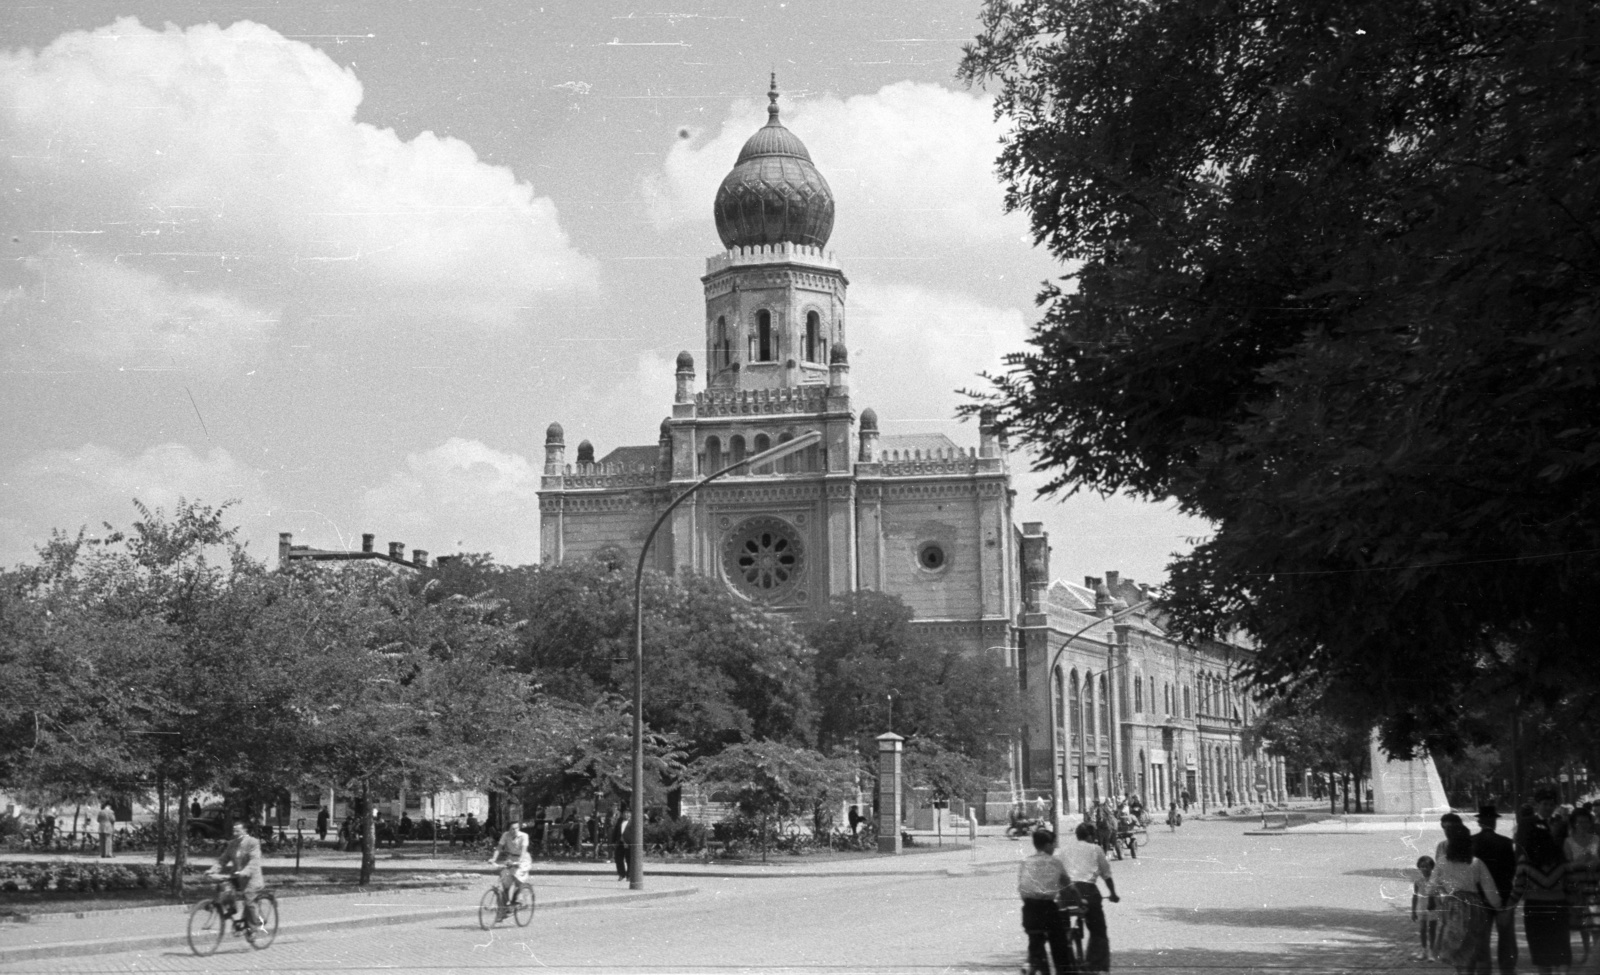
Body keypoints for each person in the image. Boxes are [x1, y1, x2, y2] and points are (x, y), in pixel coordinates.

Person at [1429, 819, 1503, 975]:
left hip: (1452, 908)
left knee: (1457, 950)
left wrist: (1444, 893)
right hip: (1474, 909)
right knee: (1473, 949)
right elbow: (1490, 891)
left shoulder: (1442, 863)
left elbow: (1431, 887)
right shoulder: (1476, 863)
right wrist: (1498, 906)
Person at [1511, 825, 1573, 974]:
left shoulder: (1525, 860)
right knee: (1561, 947)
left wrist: (1508, 907)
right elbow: (1571, 885)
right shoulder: (1560, 859)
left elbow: (1518, 888)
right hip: (1559, 907)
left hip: (1535, 909)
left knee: (1541, 951)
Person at [1060, 821, 1120, 972]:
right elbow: (1106, 875)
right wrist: (1113, 893)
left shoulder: (1065, 849)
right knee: (1098, 929)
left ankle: (1065, 952)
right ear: (1090, 836)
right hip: (1087, 892)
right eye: (1093, 835)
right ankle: (1094, 965)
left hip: (1065, 892)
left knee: (1062, 924)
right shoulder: (1096, 849)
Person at [1016, 828, 1073, 975]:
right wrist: (1078, 901)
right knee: (1060, 946)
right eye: (1053, 844)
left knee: (1035, 943)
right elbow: (1068, 887)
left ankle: (1031, 964)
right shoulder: (1054, 862)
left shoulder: (1025, 861)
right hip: (1048, 909)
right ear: (1047, 845)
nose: (1054, 847)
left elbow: (1022, 888)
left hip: (1028, 910)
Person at [1470, 806, 1518, 975]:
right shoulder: (1505, 842)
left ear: (1480, 822)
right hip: (1503, 895)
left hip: (1480, 897)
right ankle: (1507, 971)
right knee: (1506, 938)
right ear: (1494, 822)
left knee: (1482, 940)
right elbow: (1513, 869)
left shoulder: (1471, 842)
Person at [214, 820, 266, 935]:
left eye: (238, 830)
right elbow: (223, 859)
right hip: (237, 877)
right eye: (234, 830)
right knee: (223, 887)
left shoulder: (253, 842)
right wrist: (213, 870)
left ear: (245, 830)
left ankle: (254, 928)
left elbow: (254, 861)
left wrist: (245, 871)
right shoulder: (232, 843)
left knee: (248, 899)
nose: (235, 832)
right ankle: (232, 909)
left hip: (252, 878)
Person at [1564, 806, 1599, 961]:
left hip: (1595, 884)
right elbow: (1568, 865)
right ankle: (1586, 951)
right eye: (1579, 822)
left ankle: (1596, 951)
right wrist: (1585, 862)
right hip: (1577, 886)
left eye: (1586, 822)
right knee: (1583, 921)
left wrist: (1586, 863)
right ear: (1573, 823)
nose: (1583, 825)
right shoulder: (1568, 842)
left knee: (1597, 919)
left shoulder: (1596, 839)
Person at [487, 818, 532, 919]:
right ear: (509, 829)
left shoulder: (524, 836)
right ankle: (503, 910)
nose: (514, 831)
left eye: (516, 828)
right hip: (511, 858)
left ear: (519, 828)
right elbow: (499, 847)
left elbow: (524, 850)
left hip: (523, 859)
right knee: (505, 881)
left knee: (518, 879)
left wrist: (518, 862)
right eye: (512, 829)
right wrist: (493, 859)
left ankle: (519, 900)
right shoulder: (505, 835)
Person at [1414, 856, 1441, 962]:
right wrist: (1413, 911)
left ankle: (1432, 952)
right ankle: (1423, 950)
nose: (1424, 869)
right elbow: (1415, 895)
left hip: (1433, 908)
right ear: (1419, 868)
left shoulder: (1435, 880)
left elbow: (1440, 894)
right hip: (1421, 907)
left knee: (1432, 930)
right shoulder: (1418, 881)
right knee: (1422, 930)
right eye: (1422, 867)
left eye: (1427, 867)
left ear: (1431, 867)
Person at [612, 809, 631, 881]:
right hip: (620, 842)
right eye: (624, 813)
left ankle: (629, 875)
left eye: (627, 813)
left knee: (629, 860)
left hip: (628, 843)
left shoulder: (633, 822)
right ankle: (621, 874)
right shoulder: (620, 821)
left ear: (630, 814)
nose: (626, 814)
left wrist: (628, 842)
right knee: (618, 858)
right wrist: (613, 841)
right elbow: (616, 830)